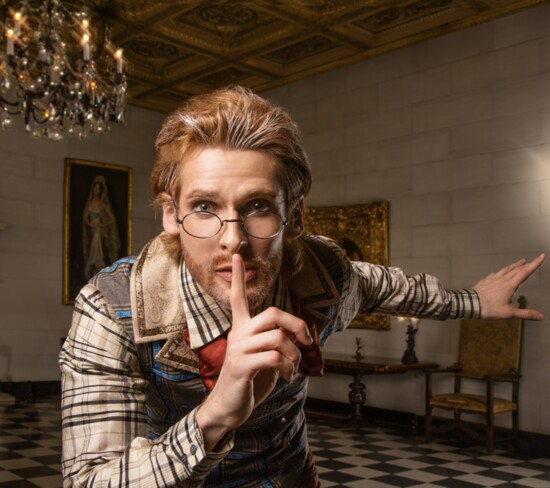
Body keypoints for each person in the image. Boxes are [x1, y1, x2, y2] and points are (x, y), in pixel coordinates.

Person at [59, 85, 545, 487]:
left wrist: (473, 301)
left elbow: (389, 287)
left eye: (258, 207)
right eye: (205, 207)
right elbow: (90, 481)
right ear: (171, 215)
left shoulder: (323, 275)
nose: (234, 241)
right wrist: (212, 418)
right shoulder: (112, 309)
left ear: (295, 218)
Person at [82, 174, 121, 279]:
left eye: (98, 188)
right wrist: (90, 223)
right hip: (92, 231)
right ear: (93, 189)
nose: (96, 190)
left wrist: (102, 224)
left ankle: (98, 271)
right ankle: (92, 272)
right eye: (95, 187)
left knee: (99, 252)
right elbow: (85, 217)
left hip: (100, 231)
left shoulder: (102, 204)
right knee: (92, 251)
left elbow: (112, 218)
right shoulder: (89, 203)